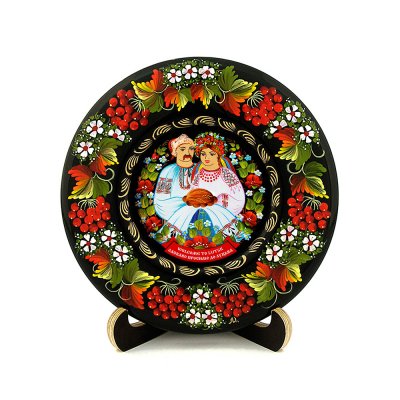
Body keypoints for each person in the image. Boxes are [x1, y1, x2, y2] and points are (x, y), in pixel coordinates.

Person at [153, 134, 195, 234]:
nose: (187, 153)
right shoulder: (168, 171)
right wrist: (186, 206)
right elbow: (161, 200)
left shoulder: (200, 169)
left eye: (191, 149)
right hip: (173, 214)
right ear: (175, 152)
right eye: (182, 149)